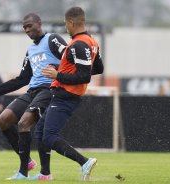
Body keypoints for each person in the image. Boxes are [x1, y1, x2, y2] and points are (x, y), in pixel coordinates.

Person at [0, 13, 67, 179]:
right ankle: (27, 162)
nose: (27, 30)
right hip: (32, 91)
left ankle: (22, 173)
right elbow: (22, 79)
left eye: (29, 26)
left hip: (49, 89)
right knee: (2, 120)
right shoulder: (31, 50)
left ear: (39, 23)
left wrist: (56, 68)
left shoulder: (52, 39)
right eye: (24, 27)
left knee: (24, 123)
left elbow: (69, 59)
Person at [32, 6, 104, 181]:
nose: (66, 28)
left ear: (71, 22)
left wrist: (58, 75)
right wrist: (60, 69)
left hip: (66, 95)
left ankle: (84, 162)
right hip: (66, 94)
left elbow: (84, 76)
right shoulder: (91, 41)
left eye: (66, 24)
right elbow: (98, 68)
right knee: (40, 132)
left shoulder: (78, 44)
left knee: (49, 136)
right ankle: (45, 174)